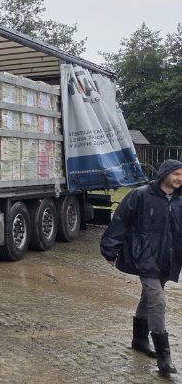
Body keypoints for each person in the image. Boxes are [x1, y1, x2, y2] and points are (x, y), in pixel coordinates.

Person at [101, 159, 182, 376]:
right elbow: (120, 221)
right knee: (157, 301)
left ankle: (139, 340)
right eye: (176, 174)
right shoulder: (140, 195)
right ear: (165, 174)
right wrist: (109, 249)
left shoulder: (179, 200)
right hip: (145, 258)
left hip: (168, 260)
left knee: (149, 298)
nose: (180, 179)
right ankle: (164, 359)